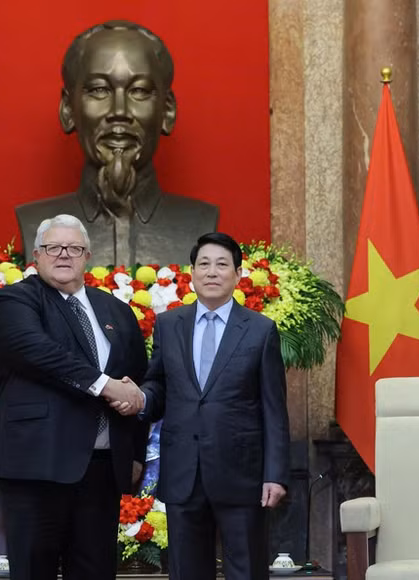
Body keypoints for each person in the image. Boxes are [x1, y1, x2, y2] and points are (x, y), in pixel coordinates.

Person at [114, 232, 291, 580]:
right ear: (192, 273)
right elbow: (160, 385)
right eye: (204, 264)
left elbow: (274, 408)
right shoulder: (169, 325)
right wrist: (141, 398)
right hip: (184, 471)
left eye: (222, 264)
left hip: (242, 472)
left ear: (238, 275)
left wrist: (275, 474)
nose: (212, 272)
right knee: (187, 571)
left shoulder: (260, 330)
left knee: (246, 569)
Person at [0, 213, 148, 580]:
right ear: (37, 256)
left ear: (88, 256)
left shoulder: (116, 311)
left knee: (96, 571)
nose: (63, 255)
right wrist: (106, 385)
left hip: (102, 469)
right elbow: (38, 351)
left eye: (73, 248)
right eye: (53, 247)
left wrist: (135, 453)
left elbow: (137, 378)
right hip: (36, 465)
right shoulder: (15, 300)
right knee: (33, 571)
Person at [15, 20, 218, 267]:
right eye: (99, 90)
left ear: (167, 111)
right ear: (68, 110)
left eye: (139, 91)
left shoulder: (200, 222)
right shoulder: (34, 222)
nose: (119, 111)